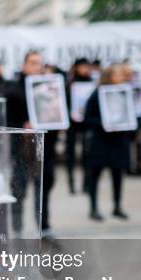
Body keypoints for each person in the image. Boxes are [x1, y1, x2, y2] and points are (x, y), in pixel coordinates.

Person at [5, 50, 57, 238]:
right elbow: (6, 123)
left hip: (45, 150)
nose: (38, 67)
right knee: (19, 190)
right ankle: (17, 228)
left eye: (40, 63)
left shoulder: (49, 89)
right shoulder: (13, 91)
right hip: (21, 150)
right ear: (24, 65)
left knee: (42, 190)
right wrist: (22, 126)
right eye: (33, 63)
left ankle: (44, 227)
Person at [83, 64, 133, 222]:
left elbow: (132, 114)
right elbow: (87, 119)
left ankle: (117, 206)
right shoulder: (97, 94)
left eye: (121, 75)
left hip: (119, 141)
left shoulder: (126, 93)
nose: (120, 78)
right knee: (95, 175)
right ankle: (93, 208)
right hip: (101, 142)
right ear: (108, 76)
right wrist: (105, 123)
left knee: (118, 175)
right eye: (117, 75)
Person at [66, 58, 93, 194]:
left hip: (86, 123)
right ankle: (71, 183)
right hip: (72, 123)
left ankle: (86, 184)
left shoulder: (92, 83)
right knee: (70, 153)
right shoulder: (70, 84)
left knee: (87, 153)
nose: (85, 69)